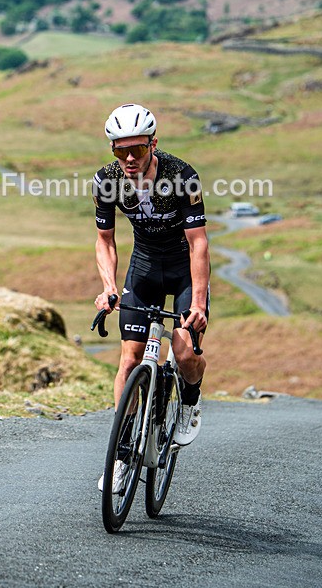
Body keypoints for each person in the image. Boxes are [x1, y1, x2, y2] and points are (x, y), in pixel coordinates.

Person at [93, 103, 210, 491]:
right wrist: (109, 286)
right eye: (120, 150)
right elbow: (105, 241)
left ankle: (190, 401)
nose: (128, 158)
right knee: (128, 361)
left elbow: (198, 244)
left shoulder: (182, 177)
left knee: (185, 352)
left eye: (138, 150)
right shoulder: (107, 180)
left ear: (153, 144)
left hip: (182, 268)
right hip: (143, 266)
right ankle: (123, 456)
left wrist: (197, 305)